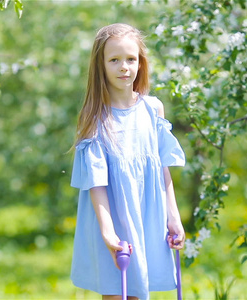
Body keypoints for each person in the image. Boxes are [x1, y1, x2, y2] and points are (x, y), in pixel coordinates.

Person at [70, 23, 186, 300]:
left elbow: (161, 168)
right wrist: (109, 233)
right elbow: (96, 183)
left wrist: (174, 216)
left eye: (131, 59)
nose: (124, 67)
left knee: (138, 289)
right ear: (101, 65)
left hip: (147, 213)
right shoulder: (95, 117)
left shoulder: (152, 109)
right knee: (116, 292)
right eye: (114, 60)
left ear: (140, 62)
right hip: (111, 216)